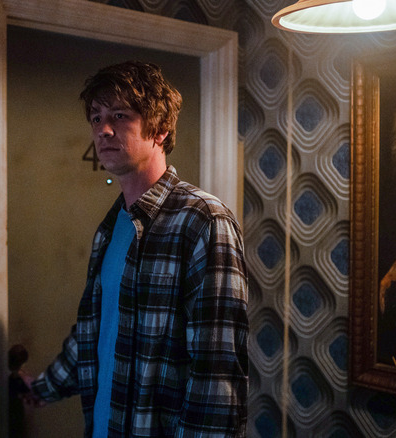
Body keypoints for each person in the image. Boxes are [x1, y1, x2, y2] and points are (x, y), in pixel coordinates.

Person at [24, 61, 248, 437]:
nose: (103, 129)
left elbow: (216, 377)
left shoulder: (203, 221)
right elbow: (96, 333)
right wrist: (42, 388)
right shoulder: (111, 228)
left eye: (120, 115)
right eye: (96, 118)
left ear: (160, 129)